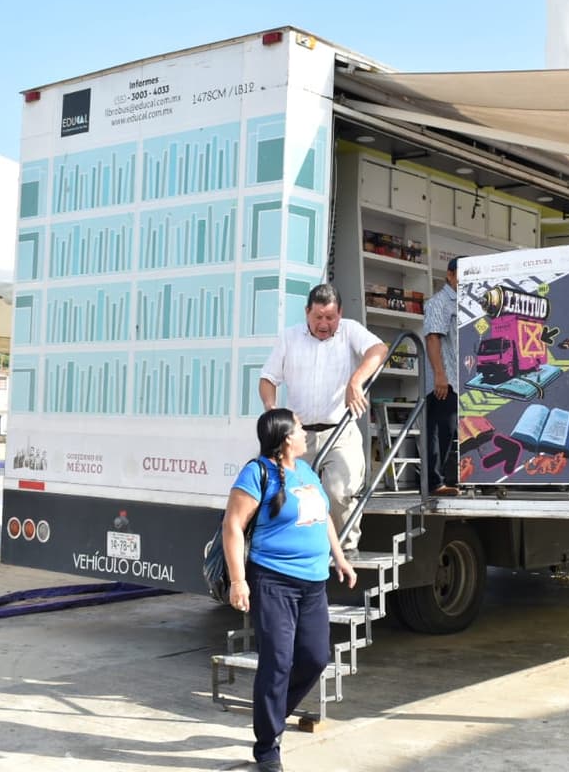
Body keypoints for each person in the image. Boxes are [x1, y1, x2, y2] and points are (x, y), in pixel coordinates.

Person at [222, 408, 357, 772]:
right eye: (299, 429)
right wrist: (239, 580)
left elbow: (324, 515)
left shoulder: (307, 471)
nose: (304, 434)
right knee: (277, 662)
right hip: (274, 582)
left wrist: (339, 557)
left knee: (314, 658)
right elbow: (233, 525)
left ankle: (273, 714)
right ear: (285, 439)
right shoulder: (257, 473)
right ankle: (267, 747)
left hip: (313, 584)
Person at [259, 284, 388, 559]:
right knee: (290, 495)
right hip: (298, 436)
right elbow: (268, 378)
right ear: (307, 312)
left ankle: (346, 549)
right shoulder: (289, 337)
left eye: (330, 317)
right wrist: (271, 410)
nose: (324, 323)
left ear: (339, 313)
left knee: (339, 492)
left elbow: (379, 349)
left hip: (339, 430)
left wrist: (356, 380)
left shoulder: (350, 330)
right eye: (318, 317)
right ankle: (297, 551)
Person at [422, 256, 462, 496]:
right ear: (450, 275)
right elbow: (433, 338)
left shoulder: (467, 303)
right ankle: (435, 482)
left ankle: (450, 479)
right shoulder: (439, 302)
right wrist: (440, 375)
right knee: (440, 429)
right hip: (445, 377)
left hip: (461, 378)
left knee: (454, 429)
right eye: (462, 274)